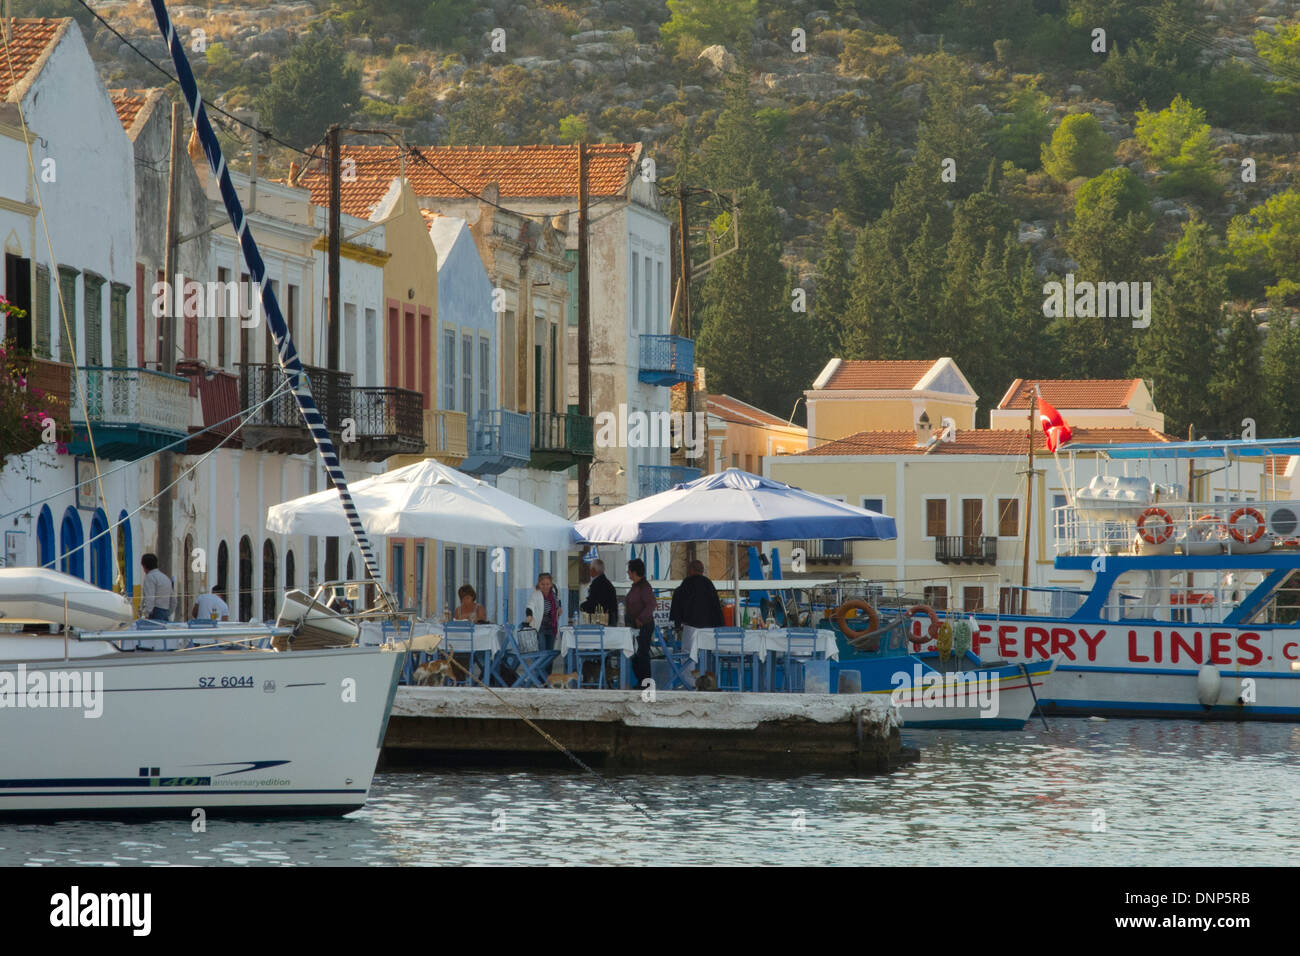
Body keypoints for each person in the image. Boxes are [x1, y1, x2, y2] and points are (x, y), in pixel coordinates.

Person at [669, 559, 724, 689]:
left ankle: (692, 684)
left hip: (691, 627)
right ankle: (710, 683)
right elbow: (716, 606)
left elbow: (678, 602)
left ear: (691, 570)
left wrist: (677, 623)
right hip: (709, 629)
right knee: (709, 654)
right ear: (702, 571)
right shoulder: (708, 584)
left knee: (688, 655)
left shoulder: (686, 584)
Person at [624, 558, 656, 689]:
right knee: (636, 655)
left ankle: (646, 683)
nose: (628, 573)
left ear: (634, 572)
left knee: (642, 654)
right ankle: (640, 681)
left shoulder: (644, 587)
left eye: (629, 571)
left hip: (644, 625)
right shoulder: (636, 586)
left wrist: (640, 619)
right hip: (634, 625)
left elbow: (651, 604)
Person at [524, 572, 561, 653]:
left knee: (550, 650)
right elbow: (530, 605)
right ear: (539, 584)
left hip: (552, 626)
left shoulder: (554, 594)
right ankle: (541, 666)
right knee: (542, 649)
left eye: (547, 584)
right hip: (540, 627)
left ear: (551, 584)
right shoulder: (536, 594)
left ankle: (549, 666)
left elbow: (558, 601)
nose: (545, 586)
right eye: (542, 584)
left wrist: (559, 608)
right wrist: (529, 615)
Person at [579, 558, 618, 624]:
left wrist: (582, 606)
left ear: (594, 570)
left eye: (590, 569)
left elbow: (593, 603)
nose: (589, 571)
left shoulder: (597, 584)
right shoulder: (607, 583)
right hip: (610, 619)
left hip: (601, 620)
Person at [140, 553, 174, 622]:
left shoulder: (150, 577)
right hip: (165, 611)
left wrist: (146, 614)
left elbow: (150, 597)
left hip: (155, 612)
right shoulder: (165, 578)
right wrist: (169, 612)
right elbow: (173, 600)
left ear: (144, 566)